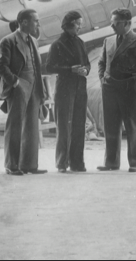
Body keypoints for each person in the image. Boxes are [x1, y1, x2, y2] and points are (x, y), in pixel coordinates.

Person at [97, 8, 136, 173]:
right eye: (112, 22)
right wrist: (103, 78)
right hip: (109, 88)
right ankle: (111, 162)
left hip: (129, 88)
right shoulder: (108, 41)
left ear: (128, 23)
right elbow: (102, 62)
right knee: (110, 126)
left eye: (116, 23)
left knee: (133, 125)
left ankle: (135, 162)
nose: (112, 26)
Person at [0, 9, 48, 176]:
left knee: (32, 127)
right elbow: (0, 67)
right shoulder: (8, 41)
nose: (38, 24)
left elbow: (37, 67)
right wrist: (16, 82)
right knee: (15, 126)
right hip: (18, 88)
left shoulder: (34, 41)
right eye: (36, 21)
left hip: (34, 88)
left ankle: (29, 165)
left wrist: (41, 90)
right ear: (24, 22)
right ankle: (12, 166)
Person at [45, 11, 91, 173]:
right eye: (78, 23)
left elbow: (87, 63)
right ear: (69, 24)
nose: (80, 26)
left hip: (80, 88)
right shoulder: (57, 45)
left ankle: (77, 163)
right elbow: (49, 67)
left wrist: (86, 70)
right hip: (65, 89)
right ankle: (62, 163)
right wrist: (70, 70)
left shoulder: (80, 42)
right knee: (64, 127)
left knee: (79, 127)